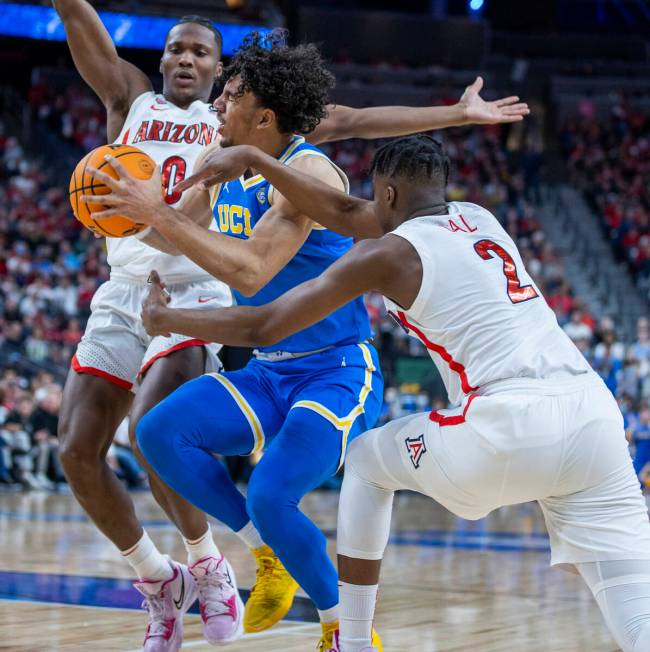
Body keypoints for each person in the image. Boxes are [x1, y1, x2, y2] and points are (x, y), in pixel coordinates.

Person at [55, 3, 528, 648]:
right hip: (258, 357)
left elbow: (254, 271)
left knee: (270, 494)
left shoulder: (301, 163)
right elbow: (178, 220)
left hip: (332, 366)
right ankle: (255, 554)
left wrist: (456, 112)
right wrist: (141, 217)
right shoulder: (209, 149)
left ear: (259, 107)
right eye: (178, 53)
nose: (216, 98)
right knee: (158, 433)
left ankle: (344, 629)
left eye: (228, 88)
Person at [136, 134, 650, 652]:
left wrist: (165, 317)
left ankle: (351, 642)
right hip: (594, 417)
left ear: (387, 195)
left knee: (364, 460)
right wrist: (253, 159)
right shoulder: (479, 217)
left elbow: (267, 324)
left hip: (509, 421)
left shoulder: (387, 255)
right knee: (638, 621)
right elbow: (340, 208)